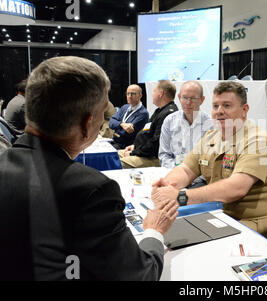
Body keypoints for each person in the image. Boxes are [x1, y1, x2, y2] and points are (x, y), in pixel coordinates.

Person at [0, 56, 179, 280]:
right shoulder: (91, 190)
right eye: (103, 113)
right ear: (87, 124)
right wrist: (154, 230)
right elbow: (139, 275)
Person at [151, 81, 267, 242]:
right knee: (169, 236)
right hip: (221, 214)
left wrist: (181, 196)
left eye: (227, 106)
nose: (219, 111)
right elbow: (186, 170)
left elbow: (236, 188)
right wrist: (166, 186)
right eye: (215, 106)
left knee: (190, 246)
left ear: (244, 110)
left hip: (257, 222)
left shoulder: (258, 141)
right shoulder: (211, 137)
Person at [119, 80, 178, 169]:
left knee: (116, 163)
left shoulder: (168, 114)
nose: (152, 94)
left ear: (161, 93)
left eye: (154, 91)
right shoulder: (160, 111)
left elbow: (155, 145)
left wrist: (134, 152)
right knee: (111, 155)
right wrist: (135, 147)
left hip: (153, 158)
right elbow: (147, 133)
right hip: (143, 152)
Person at [159, 80, 213, 169]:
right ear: (179, 97)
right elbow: (164, 155)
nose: (188, 103)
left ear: (202, 100)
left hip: (199, 179)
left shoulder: (211, 125)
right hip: (173, 174)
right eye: (184, 98)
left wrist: (189, 175)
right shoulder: (169, 121)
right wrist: (177, 171)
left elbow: (209, 161)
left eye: (193, 98)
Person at [109, 84, 149, 149]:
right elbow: (111, 123)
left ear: (140, 95)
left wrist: (117, 126)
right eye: (128, 94)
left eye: (133, 94)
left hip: (126, 146)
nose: (129, 96)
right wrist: (122, 124)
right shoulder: (125, 107)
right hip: (115, 141)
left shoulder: (143, 113)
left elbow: (126, 133)